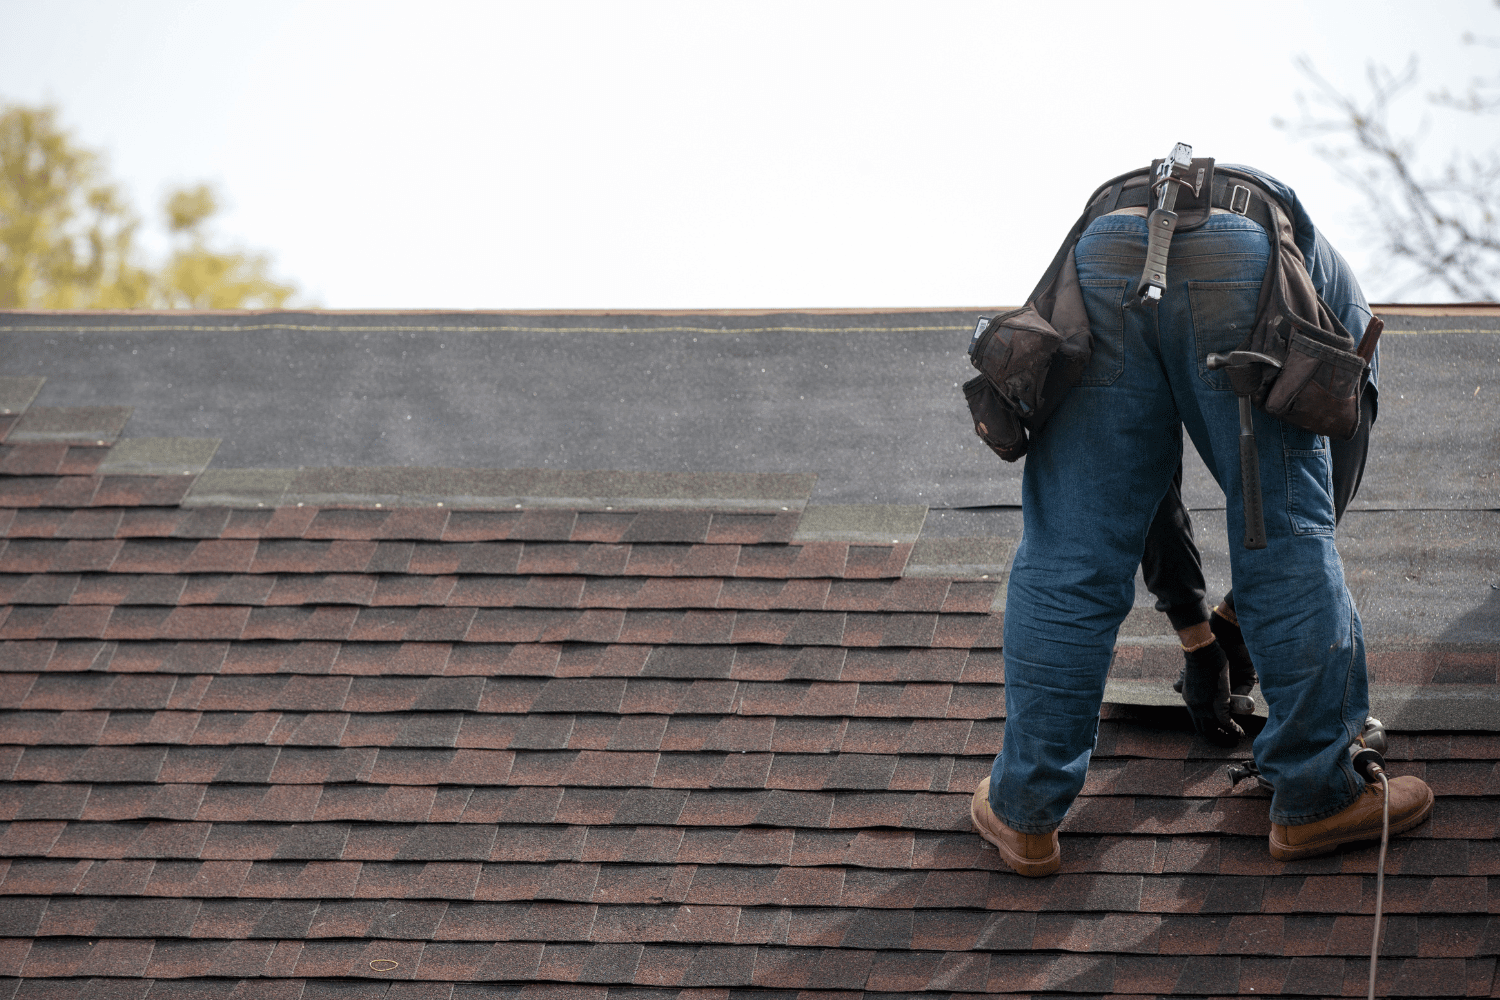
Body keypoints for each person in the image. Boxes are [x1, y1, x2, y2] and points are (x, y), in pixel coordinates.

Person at [969, 161, 1433, 876]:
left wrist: (1204, 633)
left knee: (1069, 557)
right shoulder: (1344, 336)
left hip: (1102, 248)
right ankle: (1319, 795)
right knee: (1287, 538)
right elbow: (1304, 530)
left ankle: (1023, 812)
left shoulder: (1310, 286)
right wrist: (1218, 626)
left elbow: (1133, 492)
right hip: (1240, 252)